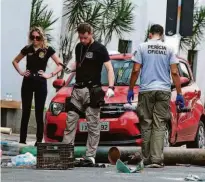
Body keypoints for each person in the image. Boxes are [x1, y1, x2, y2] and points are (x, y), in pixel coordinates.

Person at [127, 24, 185, 168]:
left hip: (146, 90)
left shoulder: (142, 47)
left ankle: (146, 159)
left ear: (150, 34)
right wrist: (179, 93)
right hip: (163, 91)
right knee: (159, 125)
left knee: (146, 123)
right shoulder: (169, 49)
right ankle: (156, 159)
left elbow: (135, 70)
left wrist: (131, 89)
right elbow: (175, 72)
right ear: (162, 34)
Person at [63, 23, 115, 165]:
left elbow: (109, 69)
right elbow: (78, 62)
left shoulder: (100, 49)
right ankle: (66, 153)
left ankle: (90, 155)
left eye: (85, 38)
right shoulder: (79, 47)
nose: (83, 40)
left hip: (92, 91)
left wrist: (111, 87)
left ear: (91, 34)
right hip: (77, 89)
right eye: (80, 37)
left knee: (93, 124)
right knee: (70, 121)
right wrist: (69, 67)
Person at [12, 26, 63, 146]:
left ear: (41, 38)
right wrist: (21, 72)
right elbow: (15, 61)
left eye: (37, 37)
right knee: (26, 111)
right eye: (32, 37)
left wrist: (49, 74)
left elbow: (60, 64)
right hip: (28, 82)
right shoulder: (27, 49)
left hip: (40, 82)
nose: (35, 40)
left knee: (39, 112)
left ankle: (39, 140)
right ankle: (22, 140)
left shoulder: (47, 49)